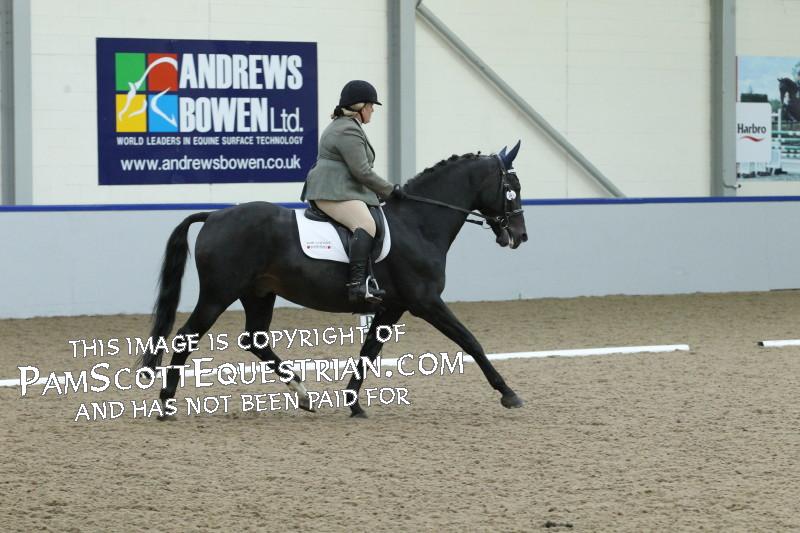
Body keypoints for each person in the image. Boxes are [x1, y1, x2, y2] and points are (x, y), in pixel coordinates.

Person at [301, 80, 405, 304]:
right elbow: (362, 171)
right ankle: (357, 285)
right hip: (331, 191)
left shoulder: (348, 126)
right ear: (360, 107)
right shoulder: (347, 129)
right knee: (366, 224)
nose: (373, 110)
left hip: (342, 190)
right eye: (370, 106)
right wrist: (390, 190)